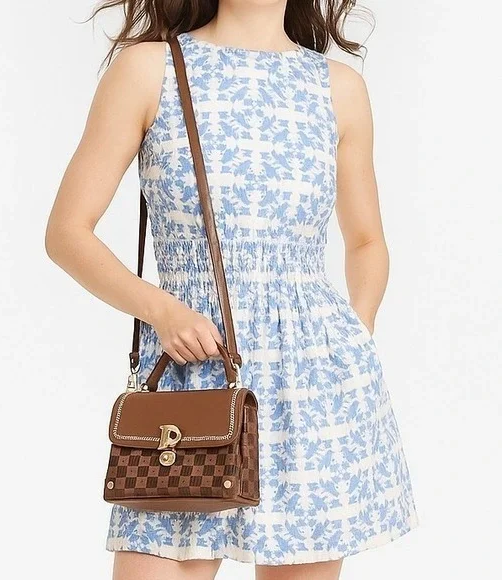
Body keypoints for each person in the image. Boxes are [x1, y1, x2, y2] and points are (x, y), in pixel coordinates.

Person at [45, 1, 418, 579]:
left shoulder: (339, 87)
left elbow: (367, 240)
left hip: (314, 382)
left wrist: (356, 335)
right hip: (193, 372)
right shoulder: (149, 69)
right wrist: (161, 309)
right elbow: (67, 232)